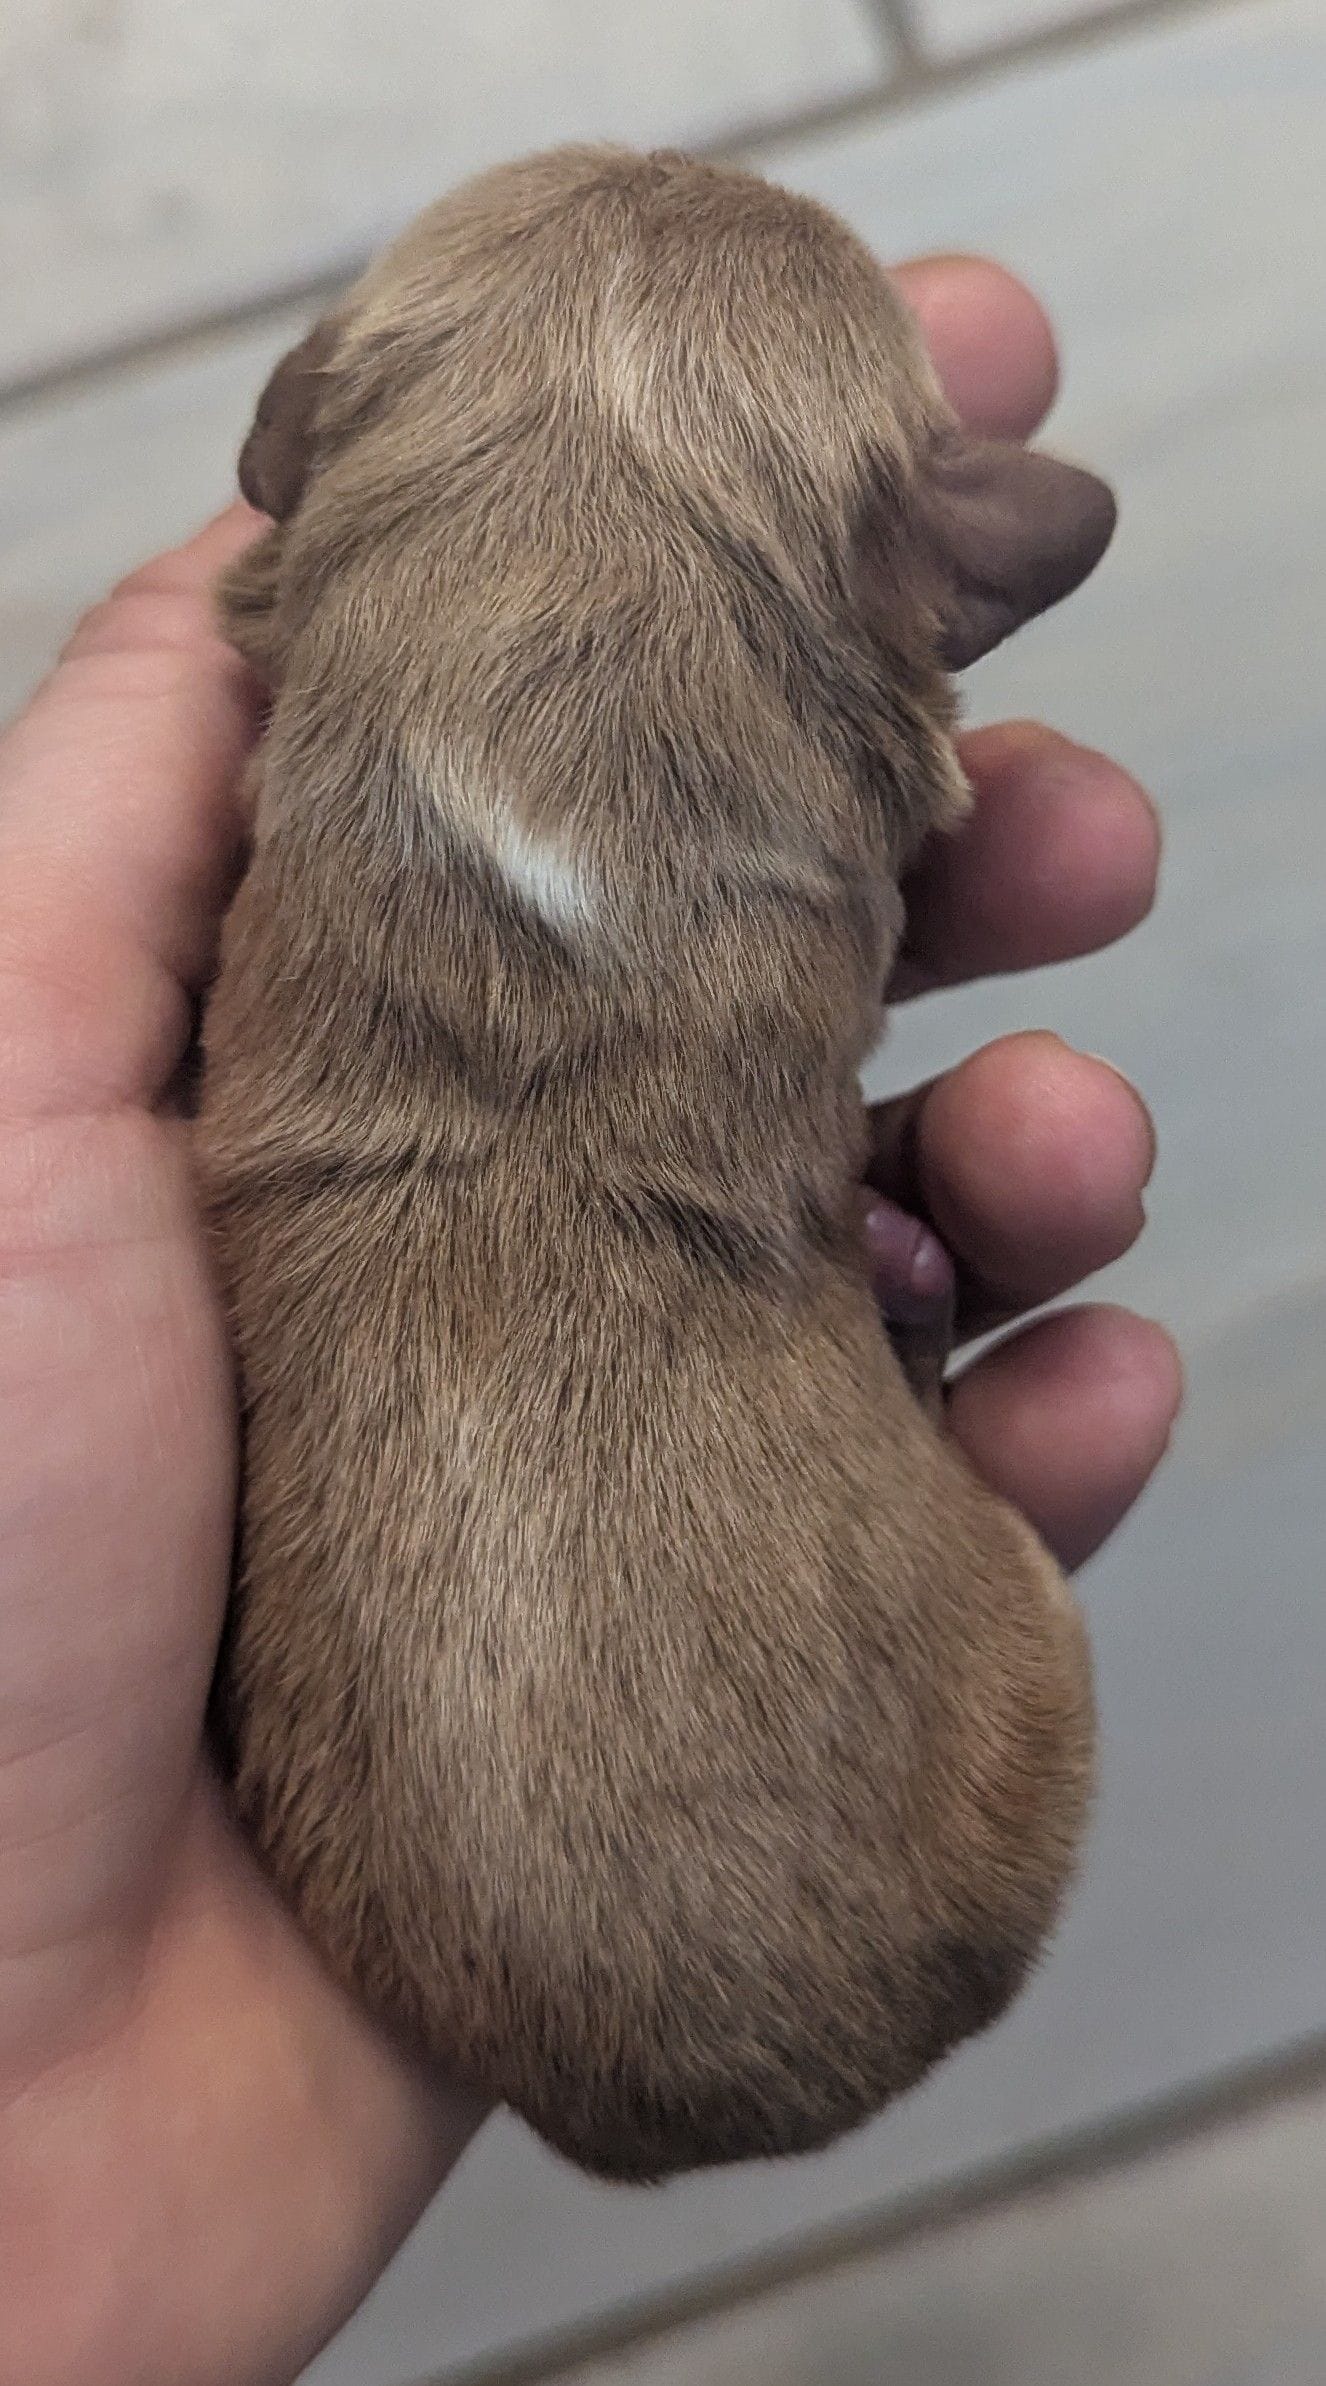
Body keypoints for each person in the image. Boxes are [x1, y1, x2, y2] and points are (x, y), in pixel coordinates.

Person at [0, 254, 1181, 2386]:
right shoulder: (891, 670)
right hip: (911, 1869)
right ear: (932, 609)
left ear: (312, 513)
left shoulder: (274, 709)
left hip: (394, 1913)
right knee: (947, 1211)